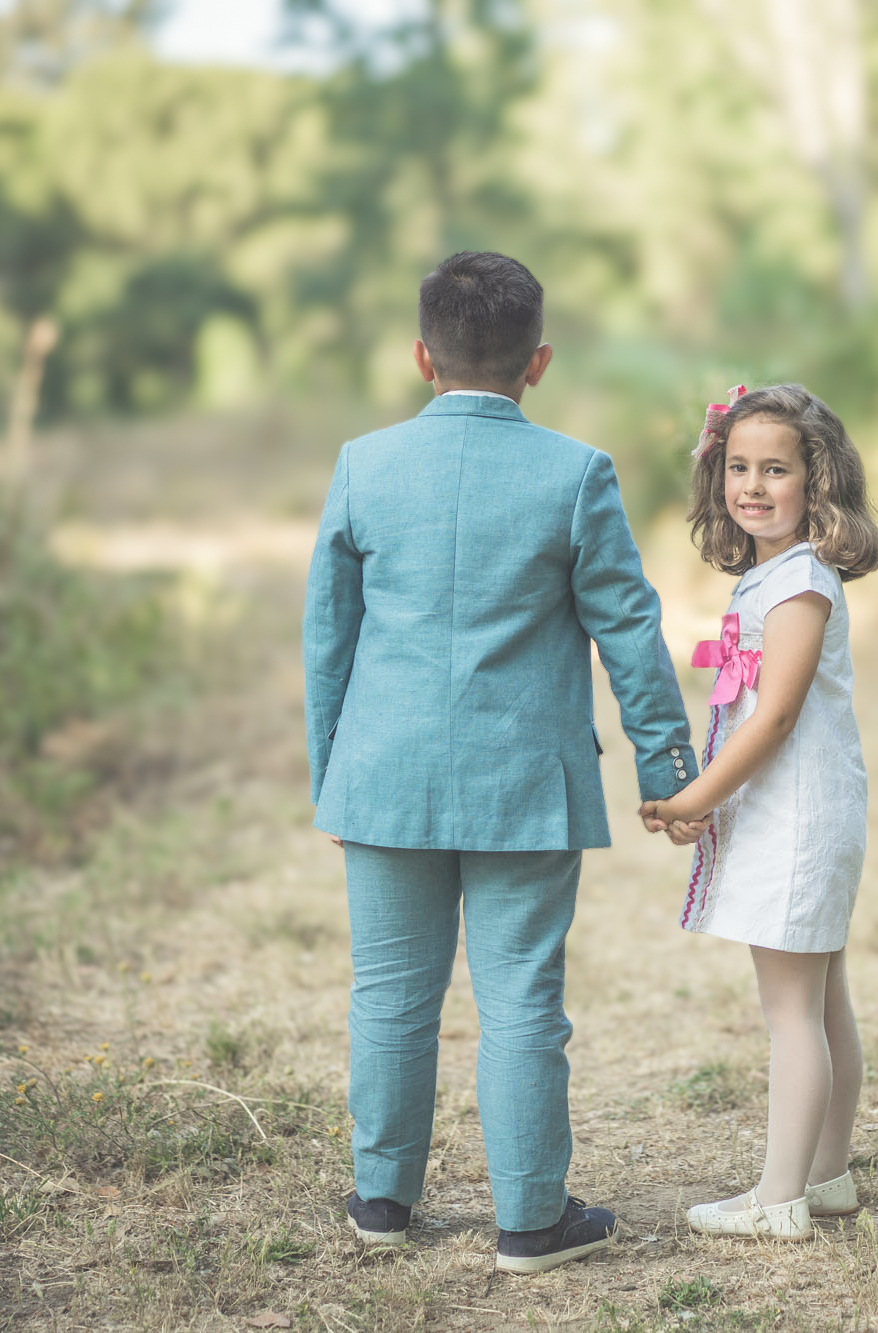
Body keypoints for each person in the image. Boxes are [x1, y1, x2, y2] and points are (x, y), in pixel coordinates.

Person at [302, 251, 697, 1274]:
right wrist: (666, 766)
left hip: (383, 775)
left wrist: (328, 775)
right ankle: (528, 1221)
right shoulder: (574, 473)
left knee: (388, 991)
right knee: (522, 994)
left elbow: (326, 639)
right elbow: (629, 628)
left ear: (421, 357)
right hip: (525, 781)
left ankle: (381, 1201)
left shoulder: (362, 465)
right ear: (539, 362)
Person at [643, 383, 878, 1241]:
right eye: (737, 466)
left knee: (793, 1011)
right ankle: (826, 1176)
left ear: (815, 479)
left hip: (796, 820)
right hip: (804, 814)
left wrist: (695, 799)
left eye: (775, 468)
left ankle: (778, 1196)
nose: (752, 485)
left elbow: (776, 714)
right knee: (822, 1003)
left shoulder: (799, 584)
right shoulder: (773, 575)